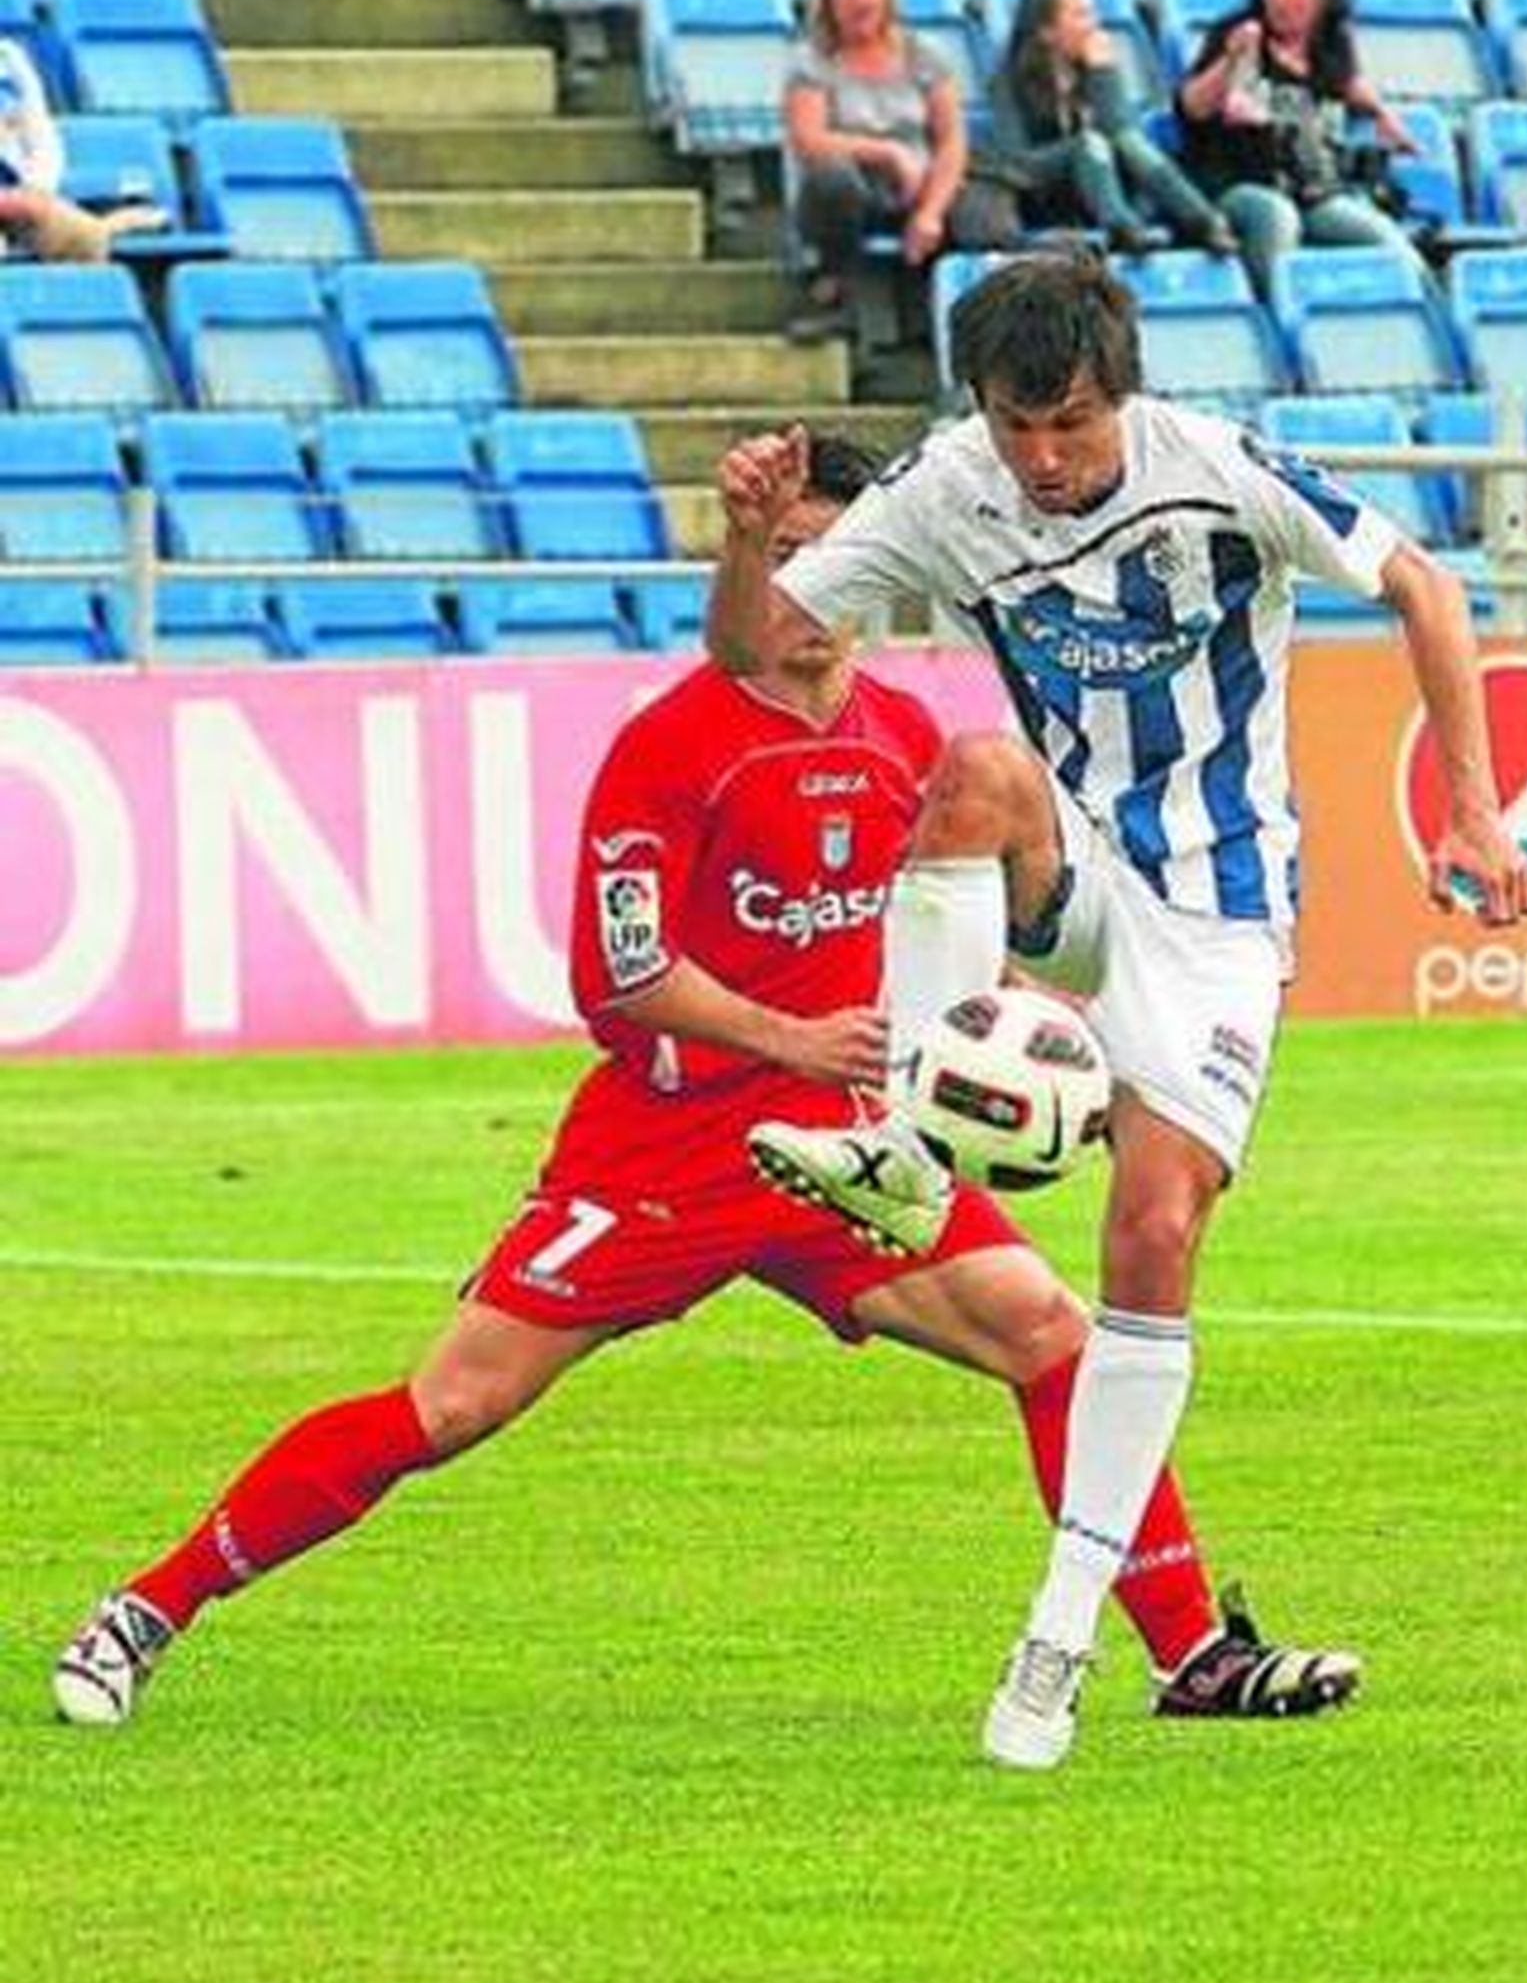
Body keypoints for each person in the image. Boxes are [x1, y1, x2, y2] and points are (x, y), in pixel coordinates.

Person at [52, 432, 1356, 1737]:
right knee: (452, 1403)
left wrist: (1022, 1027)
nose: (810, 597)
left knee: (1051, 1334)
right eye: (782, 563)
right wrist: (795, 1041)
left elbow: (954, 950)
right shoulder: (672, 745)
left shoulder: (907, 737)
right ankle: (147, 1606)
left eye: (832, 563)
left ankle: (1189, 1652)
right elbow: (619, 979)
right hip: (666, 1149)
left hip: (848, 1152)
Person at [707, 254, 1527, 1772]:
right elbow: (766, 648)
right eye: (1017, 426)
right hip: (1078, 869)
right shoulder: (951, 486)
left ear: (1123, 393)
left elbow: (1421, 579)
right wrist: (752, 536)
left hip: (1222, 908)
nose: (1043, 460)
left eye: (1072, 425)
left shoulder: (1212, 468)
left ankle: (1064, 1627)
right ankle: (905, 1140)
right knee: (974, 771)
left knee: (1150, 1234)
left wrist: (1475, 810)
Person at [784, 0, 1018, 341]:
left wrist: (930, 210)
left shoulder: (924, 55)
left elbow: (951, 139)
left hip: (921, 183)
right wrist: (888, 153)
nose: (860, 1)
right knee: (831, 180)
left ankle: (977, 325)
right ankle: (840, 296)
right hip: (856, 187)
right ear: (830, 3)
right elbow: (809, 139)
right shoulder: (811, 61)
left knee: (981, 214)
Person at [1175, 0, 1422, 297]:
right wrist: (1228, 62)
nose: (1280, 0)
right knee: (1277, 217)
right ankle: (1276, 323)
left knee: (1387, 240)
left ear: (1323, 0)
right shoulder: (1241, 36)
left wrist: (1382, 113)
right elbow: (1191, 107)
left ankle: (1428, 313)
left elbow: (1351, 84)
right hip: (1238, 186)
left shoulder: (1330, 48)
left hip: (1312, 191)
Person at [991, 0, 1238, 259]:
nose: (1094, 25)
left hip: (1111, 191)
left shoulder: (1099, 71)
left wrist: (1101, 74)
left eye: (1093, 13)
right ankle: (1124, 227)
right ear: (1047, 31)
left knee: (1127, 140)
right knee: (1090, 143)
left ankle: (1205, 221)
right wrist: (1076, 148)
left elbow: (1118, 129)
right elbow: (1016, 163)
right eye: (1080, 15)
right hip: (1048, 195)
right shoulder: (1007, 83)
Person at [0, 36, 166, 263]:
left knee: (82, 236)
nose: (8, 119)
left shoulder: (9, 60)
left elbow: (40, 148)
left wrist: (34, 196)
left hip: (24, 209)